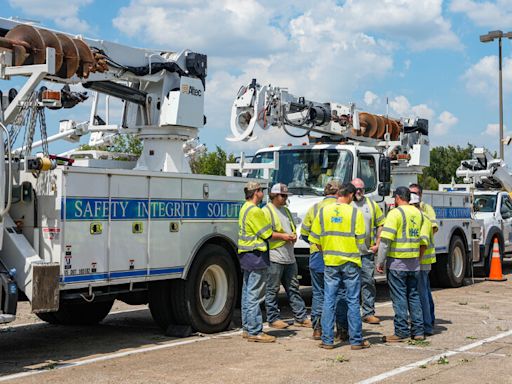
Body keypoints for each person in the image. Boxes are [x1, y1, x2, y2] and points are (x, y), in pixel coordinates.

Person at [309, 182, 370, 350]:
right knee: (352, 300)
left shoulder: (323, 212)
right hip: (350, 262)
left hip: (330, 262)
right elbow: (360, 238)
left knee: (328, 299)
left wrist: (327, 252)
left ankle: (327, 340)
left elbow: (315, 239)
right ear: (350, 195)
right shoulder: (354, 213)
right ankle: (356, 340)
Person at [375, 186, 427, 342]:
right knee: (414, 296)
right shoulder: (419, 214)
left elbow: (385, 241)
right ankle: (418, 331)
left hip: (397, 263)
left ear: (397, 197)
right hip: (414, 263)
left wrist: (380, 261)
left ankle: (401, 331)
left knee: (399, 299)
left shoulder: (394, 214)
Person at [263, 183, 312, 329]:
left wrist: (293, 236)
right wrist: (284, 237)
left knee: (293, 288)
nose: (285, 198)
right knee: (272, 289)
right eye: (283, 196)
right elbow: (266, 233)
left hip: (289, 256)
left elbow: (291, 227)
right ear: (274, 196)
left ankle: (301, 317)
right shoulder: (267, 211)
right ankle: (273, 318)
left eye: (286, 196)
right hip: (275, 256)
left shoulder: (286, 211)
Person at [237, 182, 280, 343]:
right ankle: (255, 331)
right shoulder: (255, 211)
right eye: (261, 190)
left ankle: (248, 328)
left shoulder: (244, 208)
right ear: (256, 192)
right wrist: (285, 236)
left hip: (246, 255)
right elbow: (266, 233)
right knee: (254, 295)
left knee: (247, 293)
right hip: (256, 255)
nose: (263, 193)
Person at [300, 180, 341, 340]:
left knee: (318, 294)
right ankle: (338, 329)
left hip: (316, 255)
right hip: (336, 255)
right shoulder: (341, 209)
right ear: (338, 193)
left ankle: (317, 328)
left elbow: (304, 233)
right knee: (336, 294)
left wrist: (314, 242)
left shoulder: (314, 208)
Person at [351, 178, 385, 324]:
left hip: (366, 253)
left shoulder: (371, 204)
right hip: (349, 253)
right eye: (356, 189)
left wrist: (377, 244)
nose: (359, 191)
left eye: (362, 189)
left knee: (368, 282)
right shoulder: (346, 203)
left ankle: (368, 312)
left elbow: (381, 224)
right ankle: (349, 314)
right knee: (349, 285)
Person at [410, 193, 436, 336]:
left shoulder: (423, 218)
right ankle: (426, 322)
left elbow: (423, 243)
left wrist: (417, 261)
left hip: (421, 261)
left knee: (422, 294)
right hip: (422, 261)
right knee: (424, 293)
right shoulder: (420, 217)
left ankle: (426, 325)